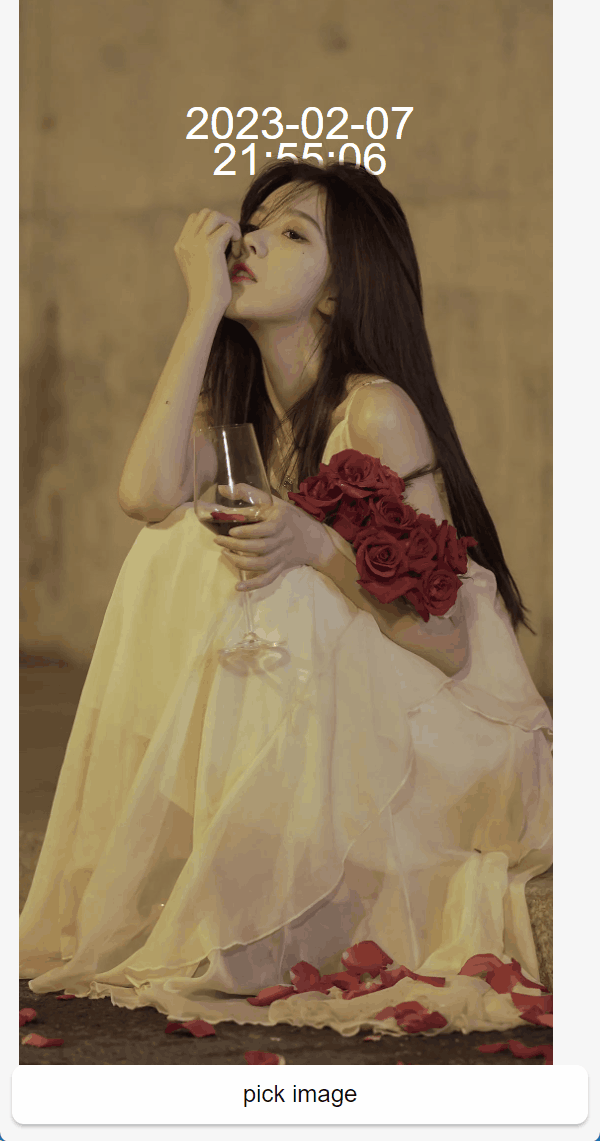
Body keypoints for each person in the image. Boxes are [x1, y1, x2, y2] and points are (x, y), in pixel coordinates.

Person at [19, 161, 552, 1039]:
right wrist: (200, 308)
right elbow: (145, 498)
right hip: (353, 710)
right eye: (255, 224)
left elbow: (446, 641)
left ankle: (262, 900)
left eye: (293, 235)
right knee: (178, 543)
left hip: (448, 729)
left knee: (285, 584)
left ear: (339, 293)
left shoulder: (374, 412)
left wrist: (319, 547)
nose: (253, 242)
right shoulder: (238, 408)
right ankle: (248, 874)